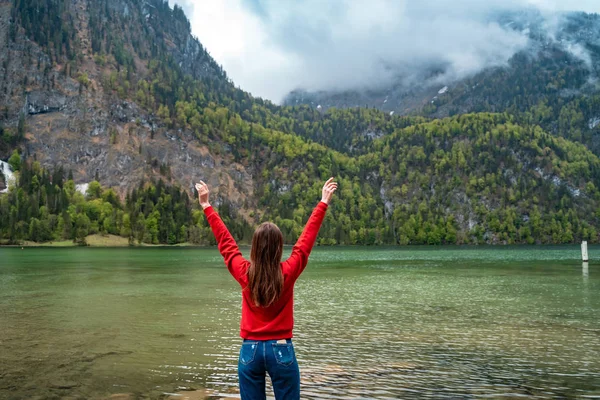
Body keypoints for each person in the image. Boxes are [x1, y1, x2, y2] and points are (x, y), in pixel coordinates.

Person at [195, 178, 338, 400]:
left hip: (250, 350)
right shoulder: (287, 272)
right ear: (279, 247)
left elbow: (227, 245)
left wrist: (206, 206)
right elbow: (304, 244)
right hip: (281, 348)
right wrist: (323, 202)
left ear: (254, 247)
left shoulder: (245, 273)